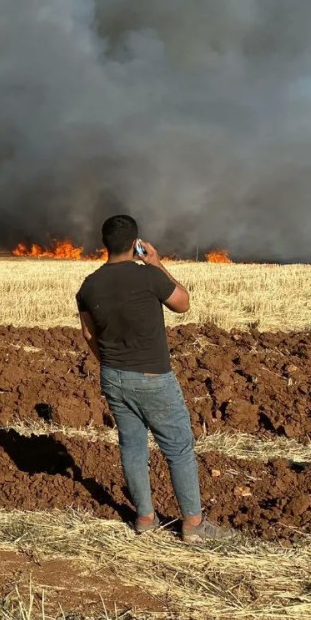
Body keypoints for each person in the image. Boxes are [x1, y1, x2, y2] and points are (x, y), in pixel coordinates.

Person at [76, 215, 233, 543]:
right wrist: (158, 263)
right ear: (136, 243)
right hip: (152, 377)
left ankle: (145, 519)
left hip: (113, 377)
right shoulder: (148, 276)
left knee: (132, 445)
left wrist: (108, 363)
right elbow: (183, 304)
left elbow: (88, 332)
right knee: (178, 448)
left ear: (104, 244)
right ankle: (193, 525)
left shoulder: (89, 286)